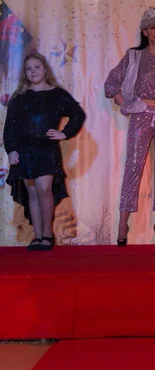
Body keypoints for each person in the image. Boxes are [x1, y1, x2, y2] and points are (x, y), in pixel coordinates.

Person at [105, 7, 155, 246]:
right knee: (133, 167)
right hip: (141, 117)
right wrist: (129, 105)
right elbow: (111, 85)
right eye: (152, 27)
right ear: (144, 30)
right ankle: (123, 223)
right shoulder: (133, 56)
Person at [3, 52, 86, 250]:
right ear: (25, 73)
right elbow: (10, 128)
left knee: (44, 189)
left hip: (46, 151)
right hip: (24, 152)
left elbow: (77, 114)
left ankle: (48, 236)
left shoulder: (57, 94)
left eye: (37, 67)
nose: (33, 71)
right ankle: (38, 236)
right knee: (32, 192)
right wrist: (12, 151)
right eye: (29, 69)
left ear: (45, 69)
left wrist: (64, 134)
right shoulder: (19, 98)